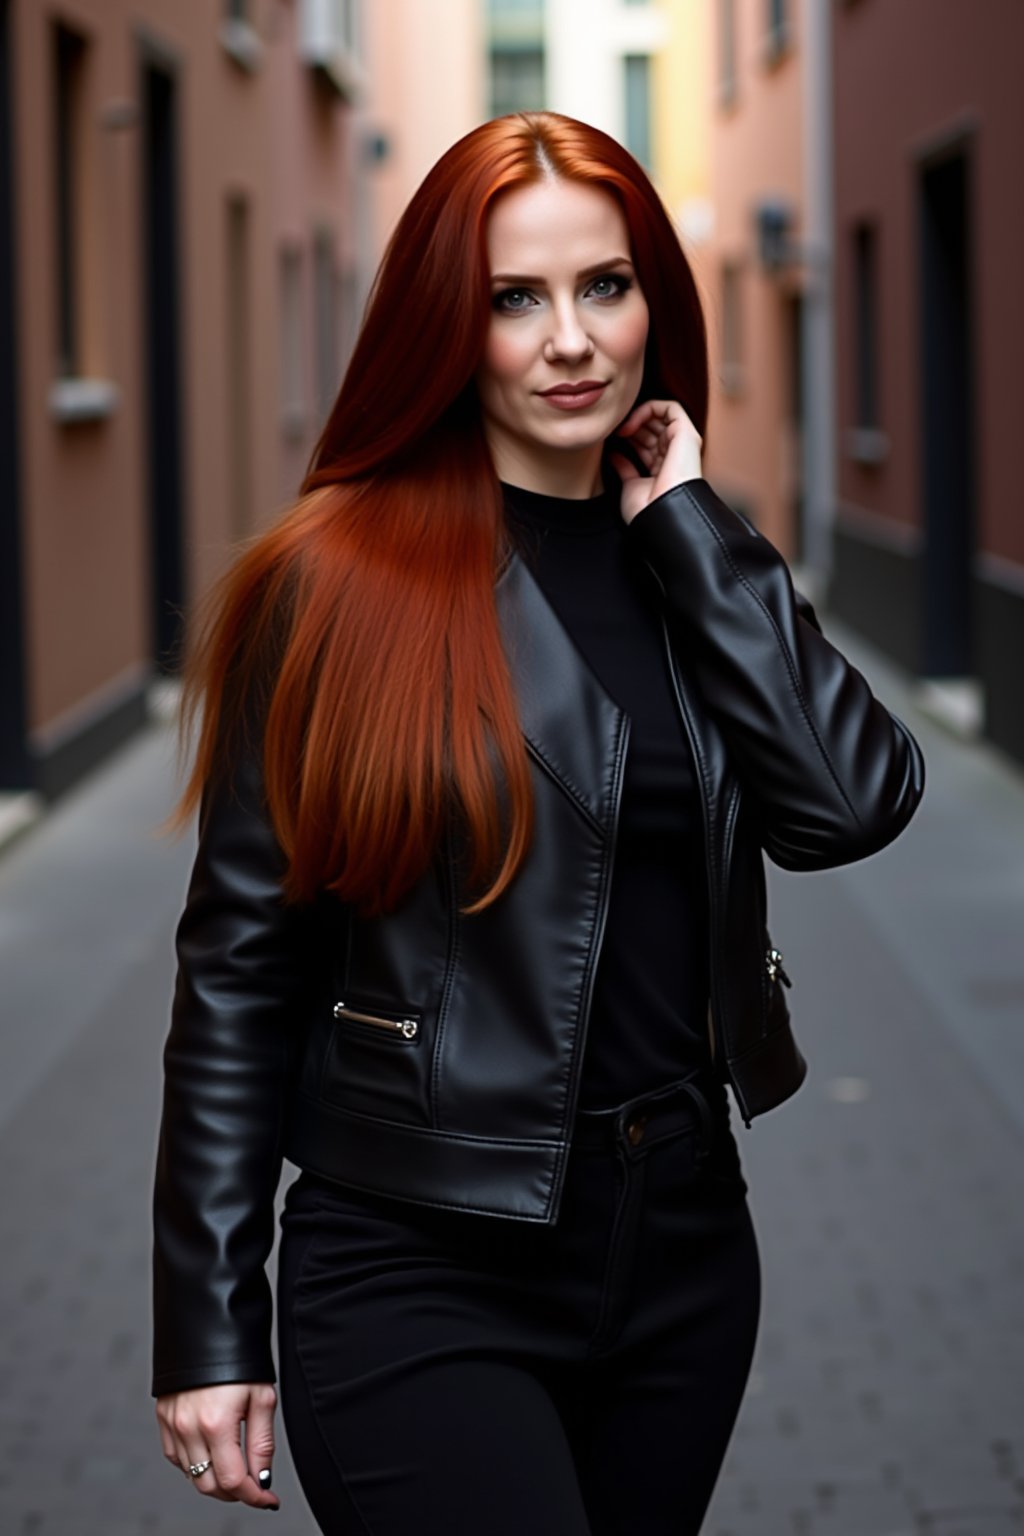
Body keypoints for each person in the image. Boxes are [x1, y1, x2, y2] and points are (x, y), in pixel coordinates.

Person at [151, 111, 925, 1534]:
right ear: (450, 324)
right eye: (516, 298)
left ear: (653, 305)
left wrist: (693, 530)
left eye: (605, 286)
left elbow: (851, 802)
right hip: (416, 1260)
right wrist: (204, 1320)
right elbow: (239, 971)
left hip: (682, 1248)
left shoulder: (694, 557)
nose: (571, 339)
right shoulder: (331, 584)